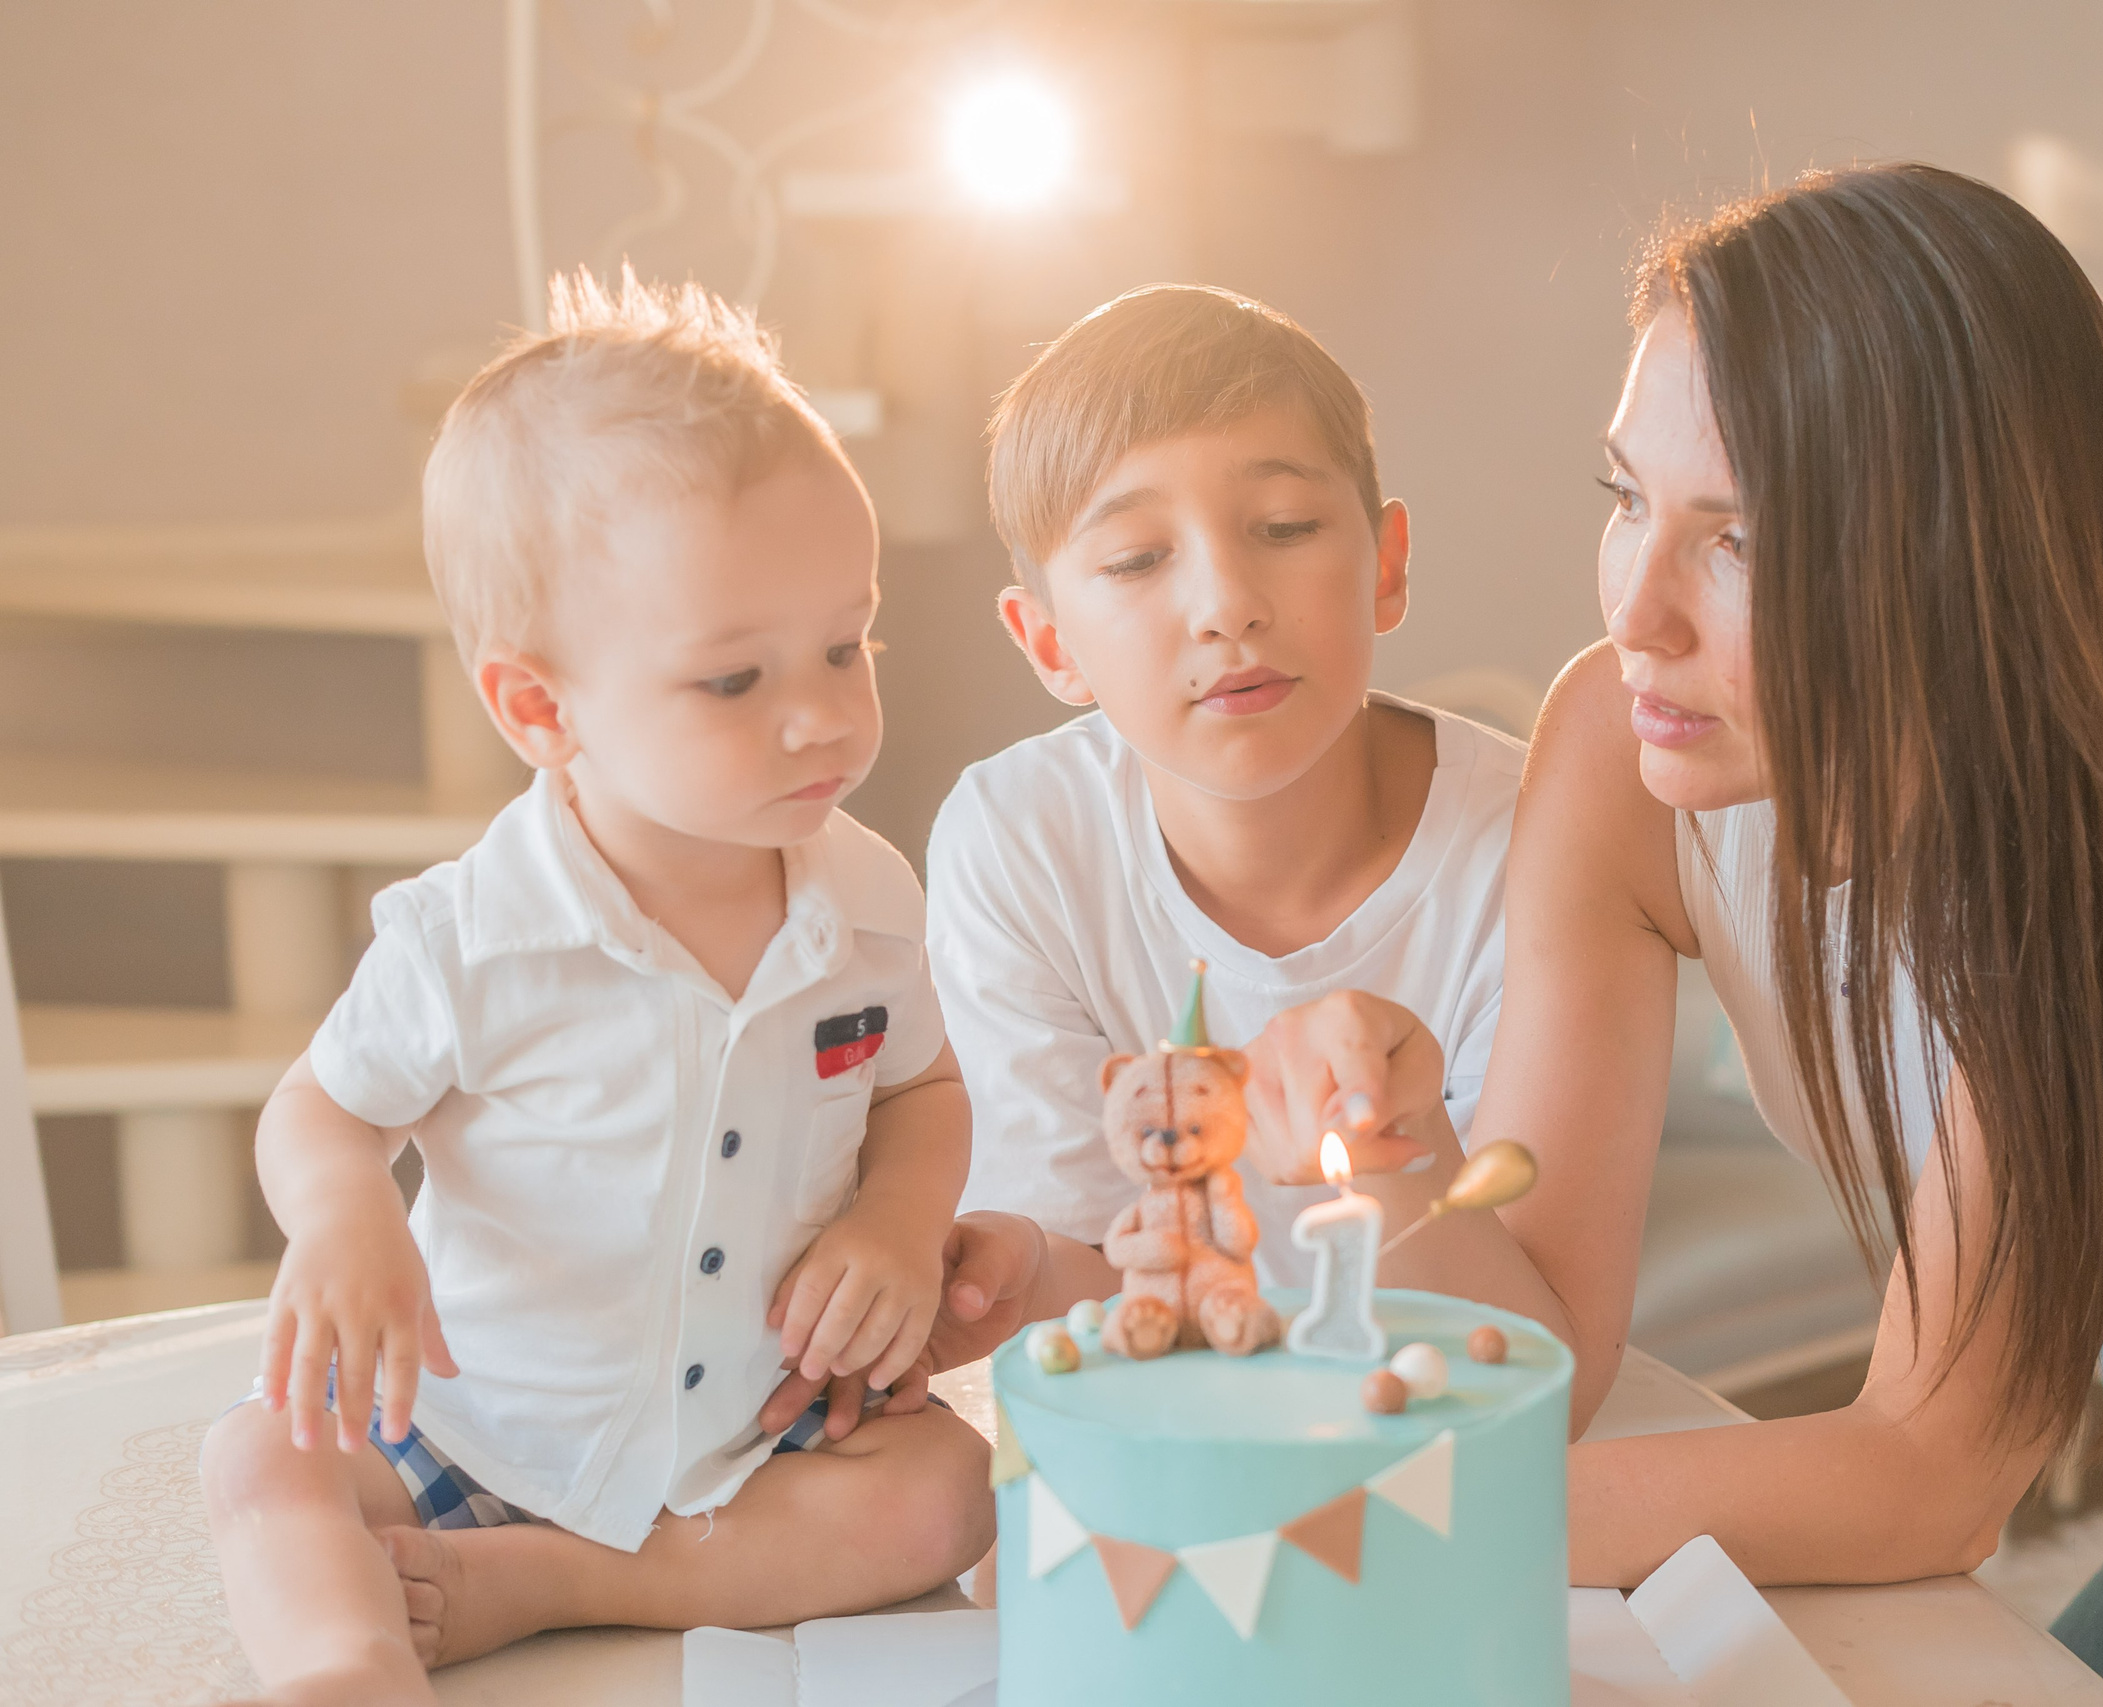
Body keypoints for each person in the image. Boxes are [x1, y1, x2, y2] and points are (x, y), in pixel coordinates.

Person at [1210, 164, 2103, 1707]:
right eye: (1629, 497)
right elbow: (1548, 1345)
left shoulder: (2093, 895)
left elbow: (1926, 1480)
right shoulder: (1619, 740)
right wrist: (1394, 1163)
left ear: (1955, 561)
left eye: (1742, 539)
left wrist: (1395, 1515)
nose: (1636, 607)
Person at [198, 272, 992, 1707]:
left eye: (846, 643)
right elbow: (319, 1106)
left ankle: (564, 1581)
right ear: (541, 710)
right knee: (263, 1450)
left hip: (750, 1449)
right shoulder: (477, 937)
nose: (823, 711)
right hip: (476, 1425)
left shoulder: (867, 899)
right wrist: (345, 1211)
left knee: (947, 1492)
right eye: (734, 679)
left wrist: (893, 1218)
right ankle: (348, 1660)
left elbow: (924, 1087)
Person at [911, 284, 1533, 1361]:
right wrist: (1011, 1274)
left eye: (1284, 528)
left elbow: (1516, 1336)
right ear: (1050, 644)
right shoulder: (1017, 843)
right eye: (1137, 559)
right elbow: (1089, 1270)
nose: (1225, 604)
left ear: (1385, 566)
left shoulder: (1532, 844)